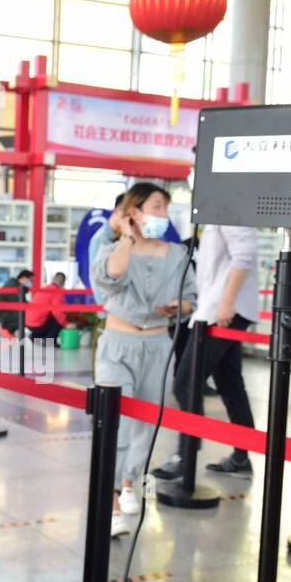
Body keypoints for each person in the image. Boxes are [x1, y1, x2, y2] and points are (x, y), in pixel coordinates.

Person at [91, 182, 196, 538]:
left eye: (165, 209)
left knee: (145, 425)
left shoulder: (178, 254)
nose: (162, 216)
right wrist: (127, 237)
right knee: (114, 422)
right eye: (156, 207)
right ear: (134, 211)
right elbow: (111, 277)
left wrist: (177, 307)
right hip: (117, 344)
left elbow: (190, 298)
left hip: (158, 345)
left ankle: (128, 482)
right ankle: (112, 505)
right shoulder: (110, 247)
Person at [151, 222, 261, 481]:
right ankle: (241, 458)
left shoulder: (229, 202)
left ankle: (185, 459)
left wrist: (226, 302)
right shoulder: (215, 209)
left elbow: (244, 255)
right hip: (216, 309)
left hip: (222, 313)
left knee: (185, 384)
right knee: (230, 385)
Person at [27, 272, 69, 340]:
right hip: (37, 325)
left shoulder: (45, 288)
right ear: (63, 283)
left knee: (50, 316)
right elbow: (57, 312)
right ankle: (48, 340)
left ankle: (34, 337)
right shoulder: (57, 292)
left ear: (53, 279)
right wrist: (66, 324)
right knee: (58, 321)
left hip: (28, 323)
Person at [0, 269, 34, 336]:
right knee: (27, 316)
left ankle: (9, 329)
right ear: (24, 278)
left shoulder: (15, 284)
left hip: (6, 312)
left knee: (27, 313)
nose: (31, 283)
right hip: (4, 315)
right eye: (30, 280)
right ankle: (7, 329)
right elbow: (21, 304)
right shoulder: (15, 287)